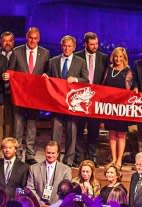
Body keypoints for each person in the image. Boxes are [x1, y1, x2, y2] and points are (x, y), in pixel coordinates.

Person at [3, 27, 50, 165]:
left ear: (39, 39)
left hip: (34, 98)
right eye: (30, 38)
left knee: (32, 126)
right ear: (26, 37)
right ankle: (17, 154)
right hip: (18, 96)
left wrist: (47, 76)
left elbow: (47, 73)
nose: (32, 41)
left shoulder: (45, 53)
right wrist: (7, 79)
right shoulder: (17, 52)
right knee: (18, 126)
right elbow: (10, 72)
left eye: (35, 38)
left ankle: (30, 154)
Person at [46, 35, 89, 166]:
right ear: (61, 46)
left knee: (72, 133)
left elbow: (86, 80)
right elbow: (49, 79)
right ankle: (55, 161)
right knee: (55, 134)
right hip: (56, 105)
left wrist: (76, 79)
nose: (66, 48)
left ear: (74, 47)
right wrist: (45, 77)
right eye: (64, 45)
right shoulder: (53, 61)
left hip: (71, 106)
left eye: (69, 46)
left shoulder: (80, 62)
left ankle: (68, 161)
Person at [75, 32, 109, 166]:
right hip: (80, 99)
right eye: (92, 44)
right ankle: (78, 157)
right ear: (85, 44)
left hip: (96, 100)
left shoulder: (104, 58)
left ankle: (92, 157)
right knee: (78, 128)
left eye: (96, 44)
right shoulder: (77, 56)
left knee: (93, 130)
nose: (95, 46)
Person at [103, 47, 133, 169]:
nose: (118, 59)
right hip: (110, 107)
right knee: (111, 133)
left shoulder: (128, 71)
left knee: (121, 134)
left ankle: (119, 160)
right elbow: (103, 85)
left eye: (120, 56)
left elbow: (128, 90)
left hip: (122, 107)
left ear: (124, 57)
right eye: (116, 56)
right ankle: (113, 159)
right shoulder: (109, 69)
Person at [26, 141, 72, 205]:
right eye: (48, 153)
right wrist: (41, 204)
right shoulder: (33, 168)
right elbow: (30, 188)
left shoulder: (66, 170)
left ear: (58, 154)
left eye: (53, 153)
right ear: (45, 152)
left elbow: (66, 192)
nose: (50, 155)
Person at [0, 31, 15, 140]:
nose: (7, 43)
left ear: (13, 42)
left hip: (14, 95)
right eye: (5, 41)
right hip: (0, 95)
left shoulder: (18, 55)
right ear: (1, 42)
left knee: (10, 122)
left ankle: (8, 147)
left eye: (9, 41)